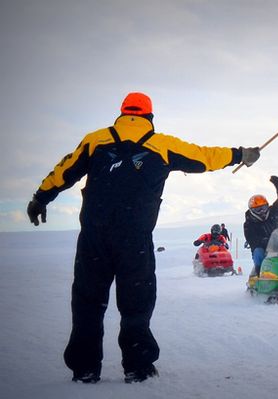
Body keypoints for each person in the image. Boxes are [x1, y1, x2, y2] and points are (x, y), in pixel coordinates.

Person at [25, 92, 260, 384]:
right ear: (149, 117)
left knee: (87, 302)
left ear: (122, 114)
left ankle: (85, 368)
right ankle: (137, 367)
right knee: (136, 303)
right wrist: (240, 155)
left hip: (94, 238)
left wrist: (40, 198)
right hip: (134, 239)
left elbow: (63, 171)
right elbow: (205, 156)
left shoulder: (95, 140)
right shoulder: (161, 145)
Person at [243, 175, 278, 277]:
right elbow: (251, 239)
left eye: (263, 208)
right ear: (252, 211)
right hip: (262, 247)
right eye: (258, 210)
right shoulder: (249, 223)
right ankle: (260, 274)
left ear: (267, 206)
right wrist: (263, 241)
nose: (262, 212)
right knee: (258, 252)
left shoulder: (273, 212)